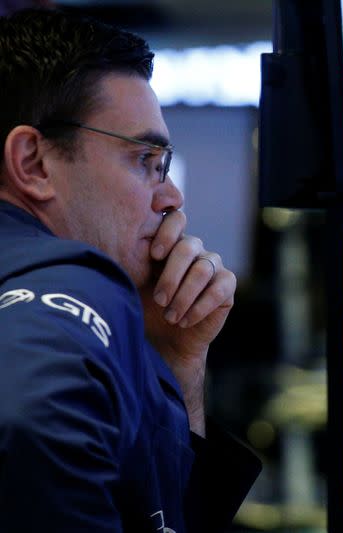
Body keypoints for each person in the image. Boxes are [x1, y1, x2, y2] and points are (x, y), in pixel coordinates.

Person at [0, 8, 262, 532]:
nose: (171, 195)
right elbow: (25, 419)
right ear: (33, 163)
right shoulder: (75, 280)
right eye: (145, 160)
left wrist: (173, 362)